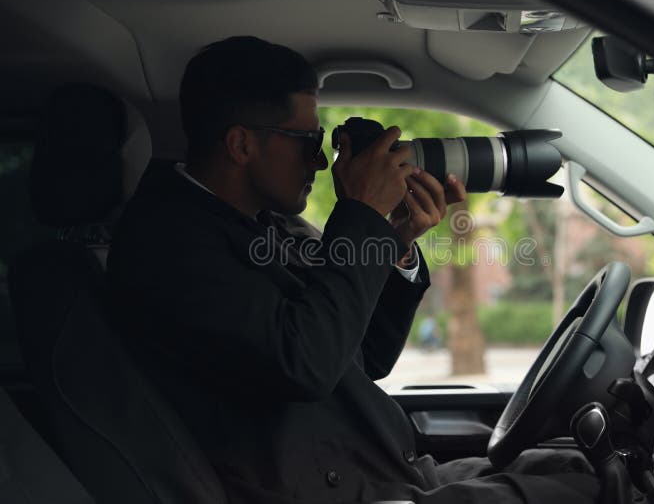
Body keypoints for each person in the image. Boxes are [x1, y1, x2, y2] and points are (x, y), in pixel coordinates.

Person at [108, 36, 597, 504]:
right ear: (241, 145)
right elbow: (305, 365)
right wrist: (361, 214)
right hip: (321, 491)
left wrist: (396, 239)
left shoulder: (265, 224)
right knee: (595, 494)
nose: (320, 161)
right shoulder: (168, 243)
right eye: (307, 140)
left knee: (573, 465)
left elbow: (362, 355)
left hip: (378, 473)